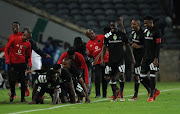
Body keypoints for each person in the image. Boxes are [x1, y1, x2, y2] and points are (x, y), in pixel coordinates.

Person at [101, 19, 135, 102]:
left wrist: (132, 57)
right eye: (111, 26)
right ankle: (115, 97)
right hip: (111, 60)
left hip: (120, 59)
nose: (112, 27)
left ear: (117, 26)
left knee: (121, 75)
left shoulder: (122, 35)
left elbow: (128, 46)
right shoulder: (107, 36)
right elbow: (104, 47)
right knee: (112, 78)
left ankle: (122, 94)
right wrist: (102, 58)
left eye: (114, 26)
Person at [5, 28, 32, 102]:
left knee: (23, 81)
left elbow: (29, 55)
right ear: (24, 35)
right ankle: (12, 95)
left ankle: (22, 98)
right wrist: (7, 59)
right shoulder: (14, 39)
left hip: (22, 63)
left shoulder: (28, 44)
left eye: (29, 39)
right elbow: (6, 48)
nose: (27, 40)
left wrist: (29, 63)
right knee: (12, 80)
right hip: (13, 63)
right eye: (27, 38)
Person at [128, 19, 151, 101]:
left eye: (134, 24)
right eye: (131, 24)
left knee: (140, 76)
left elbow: (147, 46)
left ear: (138, 24)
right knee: (137, 76)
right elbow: (134, 43)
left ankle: (150, 90)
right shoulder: (133, 33)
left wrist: (139, 46)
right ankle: (136, 95)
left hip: (141, 58)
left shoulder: (143, 34)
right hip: (135, 58)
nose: (132, 26)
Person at [140, 16, 161, 102]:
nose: (145, 25)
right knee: (142, 76)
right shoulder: (145, 31)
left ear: (151, 22)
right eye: (144, 23)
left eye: (146, 23)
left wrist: (156, 58)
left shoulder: (157, 31)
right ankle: (154, 90)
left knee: (152, 76)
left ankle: (151, 96)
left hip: (153, 58)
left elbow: (158, 46)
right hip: (146, 57)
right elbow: (145, 45)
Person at [86, 29, 109, 98]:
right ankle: (97, 94)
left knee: (105, 78)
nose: (92, 35)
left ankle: (104, 94)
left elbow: (104, 48)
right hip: (97, 63)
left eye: (92, 33)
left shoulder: (102, 37)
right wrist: (88, 54)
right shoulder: (88, 44)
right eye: (90, 34)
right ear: (88, 36)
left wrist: (98, 56)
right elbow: (90, 55)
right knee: (97, 79)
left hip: (106, 60)